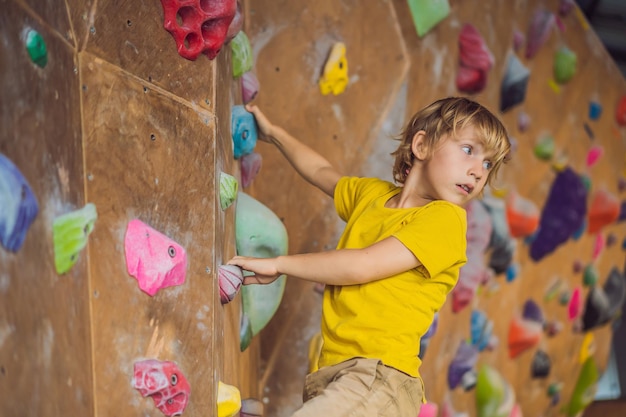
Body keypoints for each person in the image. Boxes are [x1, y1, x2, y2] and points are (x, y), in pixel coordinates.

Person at [228, 97, 511, 417]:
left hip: (380, 379)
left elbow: (361, 265)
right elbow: (321, 171)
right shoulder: (373, 196)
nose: (477, 171)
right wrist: (274, 134)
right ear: (422, 145)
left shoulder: (446, 220)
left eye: (488, 164)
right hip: (336, 376)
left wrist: (280, 264)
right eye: (469, 150)